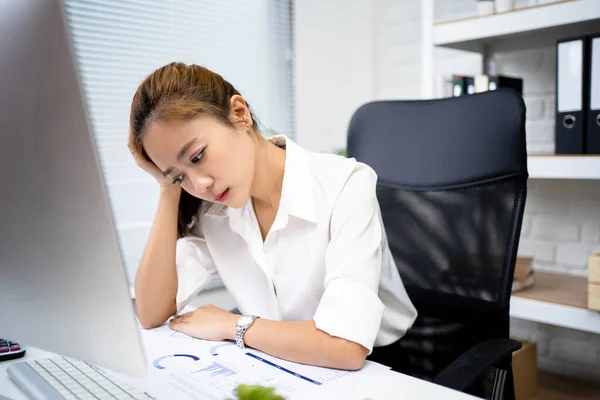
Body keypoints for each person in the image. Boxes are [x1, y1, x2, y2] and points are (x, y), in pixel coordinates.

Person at [128, 62, 417, 372]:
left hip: (374, 371)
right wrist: (167, 187)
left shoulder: (344, 185)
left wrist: (233, 325)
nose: (199, 185)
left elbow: (345, 346)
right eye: (179, 176)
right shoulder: (213, 211)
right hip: (277, 364)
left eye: (197, 157)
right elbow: (151, 312)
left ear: (239, 114)